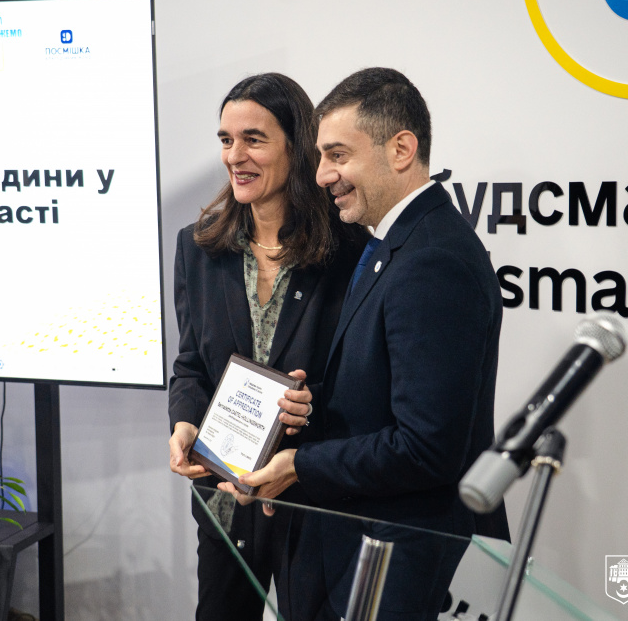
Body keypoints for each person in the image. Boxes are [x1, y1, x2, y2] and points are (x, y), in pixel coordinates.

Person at [225, 67, 510, 619]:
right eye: (320, 156)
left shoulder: (433, 260)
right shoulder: (395, 242)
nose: (322, 174)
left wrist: (300, 466)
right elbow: (379, 390)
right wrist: (311, 404)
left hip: (395, 553)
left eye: (337, 155)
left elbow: (425, 447)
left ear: (401, 149)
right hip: (358, 540)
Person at [168, 73, 367, 621]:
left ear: (296, 146)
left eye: (253, 139)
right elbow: (190, 364)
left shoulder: (350, 250)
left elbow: (362, 380)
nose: (235, 156)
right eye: (226, 140)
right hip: (224, 501)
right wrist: (184, 421)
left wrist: (310, 404)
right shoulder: (198, 247)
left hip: (309, 502)